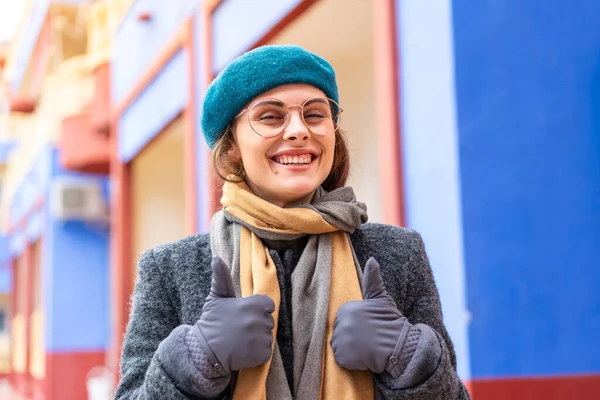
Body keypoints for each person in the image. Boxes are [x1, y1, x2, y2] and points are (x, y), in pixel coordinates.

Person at [114, 45, 470, 400]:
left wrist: (407, 355)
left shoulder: (399, 253)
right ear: (231, 147)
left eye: (315, 114)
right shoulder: (169, 269)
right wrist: (196, 358)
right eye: (270, 117)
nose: (299, 130)